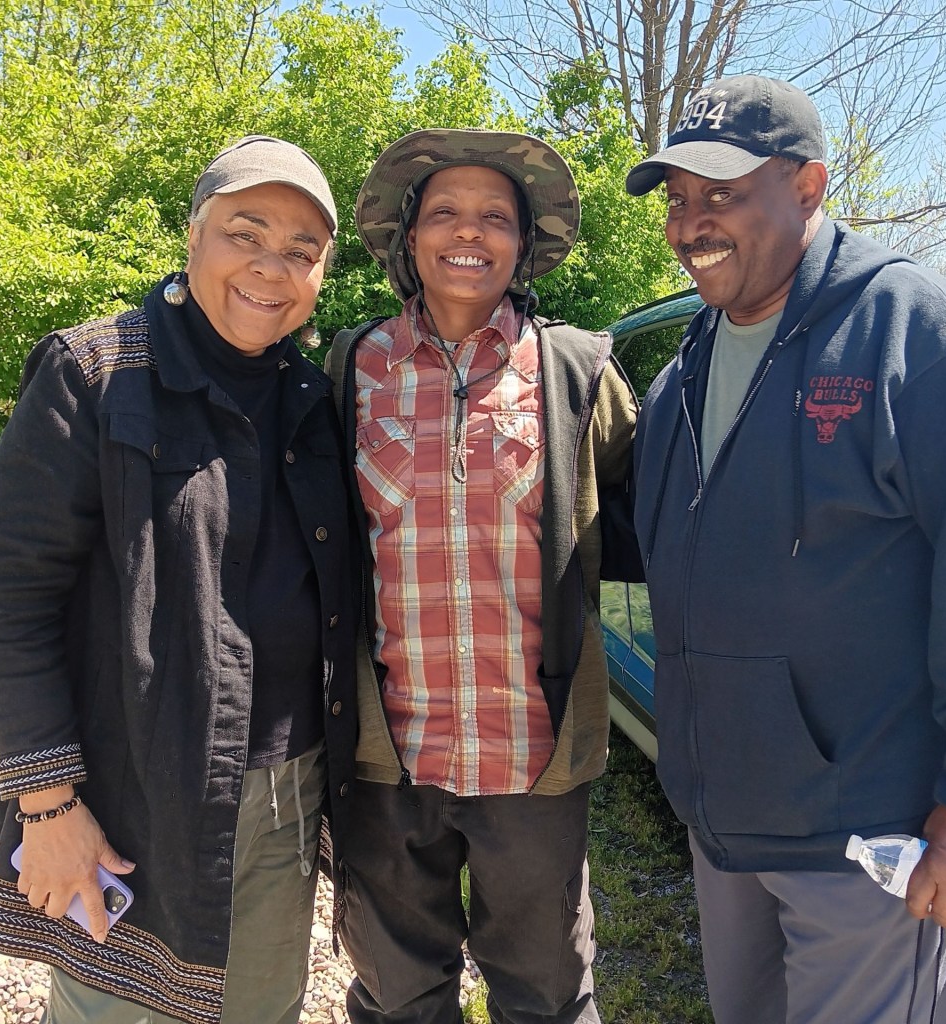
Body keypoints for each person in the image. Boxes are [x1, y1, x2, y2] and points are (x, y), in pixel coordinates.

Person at [0, 135, 358, 1024]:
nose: (272, 267)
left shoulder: (312, 396)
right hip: (131, 791)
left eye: (302, 250)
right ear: (193, 235)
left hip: (285, 791)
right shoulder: (95, 374)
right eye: (245, 234)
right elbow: (5, 605)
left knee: (261, 1008)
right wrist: (47, 803)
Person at [625, 74, 946, 1023]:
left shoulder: (911, 332)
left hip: (872, 842)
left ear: (810, 184)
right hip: (725, 829)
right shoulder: (683, 371)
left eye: (722, 193)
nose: (690, 224)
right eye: (678, 199)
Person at [325, 128, 639, 1024]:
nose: (470, 231)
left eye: (496, 216)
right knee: (397, 996)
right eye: (446, 212)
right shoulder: (351, 368)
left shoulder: (579, 371)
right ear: (409, 236)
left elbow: (645, 517)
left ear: (524, 242)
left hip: (535, 757)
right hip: (388, 757)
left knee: (546, 995)